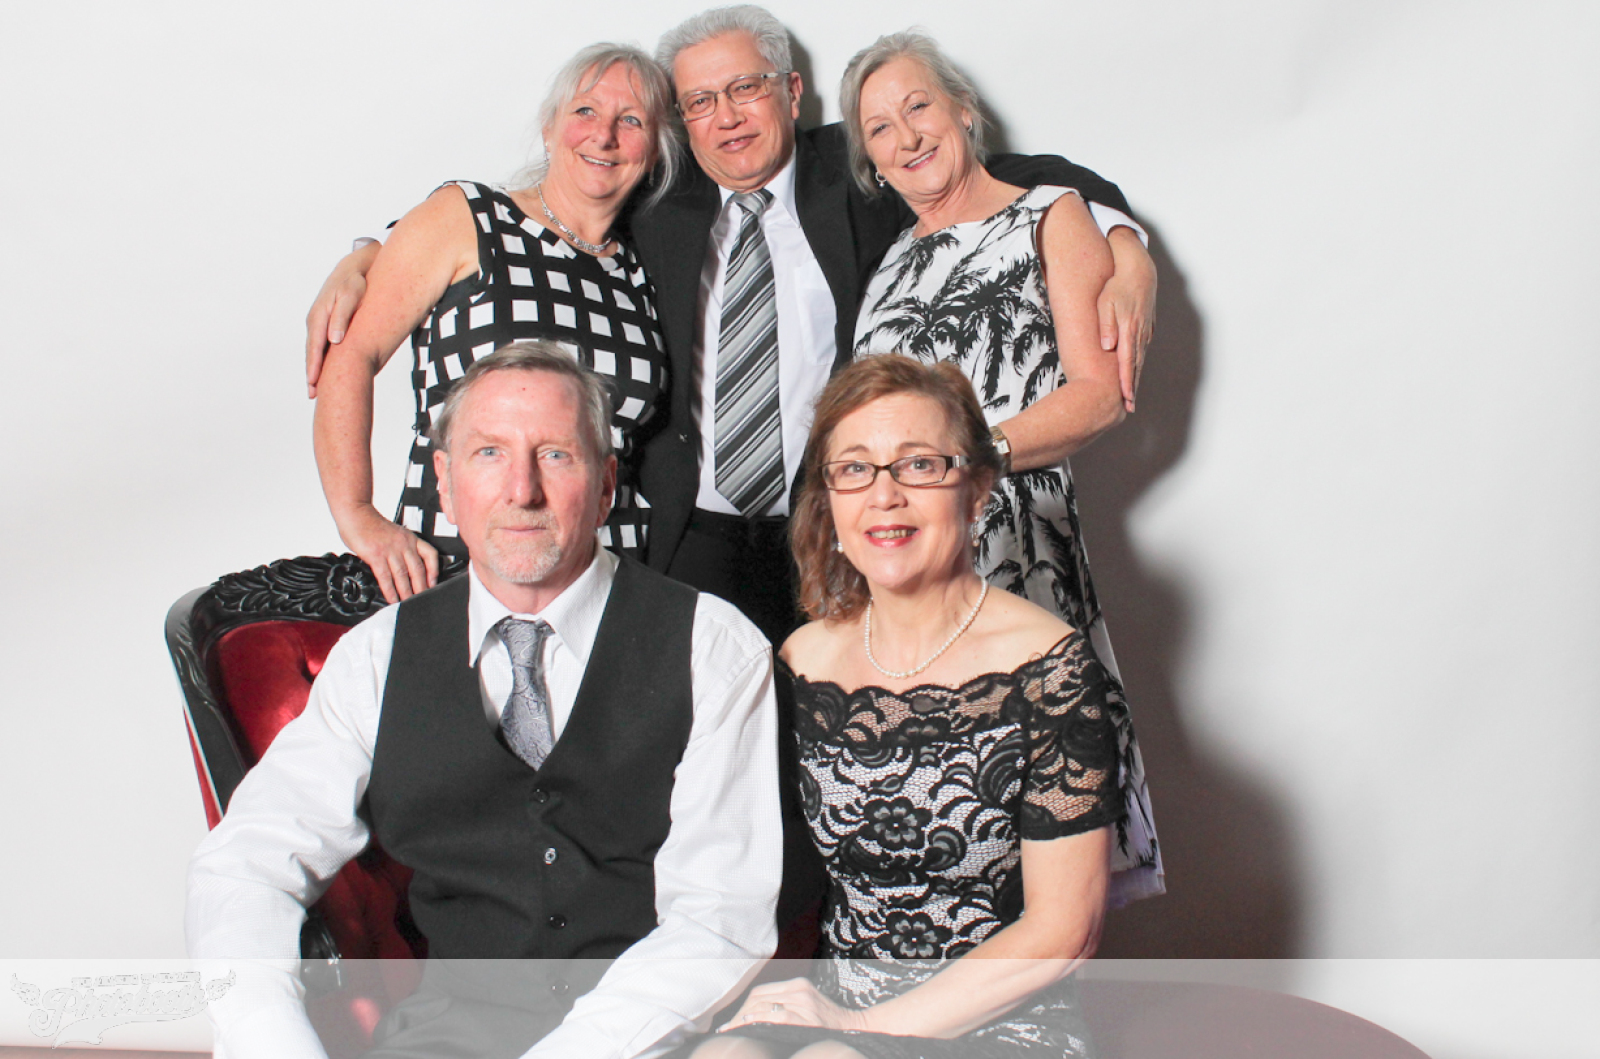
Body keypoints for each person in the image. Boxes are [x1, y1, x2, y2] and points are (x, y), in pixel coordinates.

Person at [305, 6, 1158, 647]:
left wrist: (1126, 245)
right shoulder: (657, 196)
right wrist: (367, 254)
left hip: (835, 523)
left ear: (789, 92)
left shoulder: (855, 171)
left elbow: (1009, 171)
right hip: (687, 536)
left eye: (747, 88)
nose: (729, 117)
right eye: (701, 101)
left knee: (834, 741)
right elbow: (531, 205)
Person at [187, 342, 782, 1059]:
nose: (521, 490)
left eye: (555, 455)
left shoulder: (714, 648)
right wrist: (272, 1041)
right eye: (489, 453)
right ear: (444, 482)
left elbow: (719, 922)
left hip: (657, 1041)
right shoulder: (377, 656)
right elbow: (246, 862)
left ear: (606, 484)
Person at [676, 354, 1125, 1059]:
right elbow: (734, 863)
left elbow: (1066, 930)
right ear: (830, 499)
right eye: (855, 469)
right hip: (833, 1003)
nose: (884, 495)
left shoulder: (1050, 669)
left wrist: (856, 1033)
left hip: (1003, 1022)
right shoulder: (800, 660)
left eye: (918, 465)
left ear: (976, 490)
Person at [844, 31, 1162, 904]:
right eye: (879, 128)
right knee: (934, 827)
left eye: (918, 106)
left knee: (1040, 830)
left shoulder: (1050, 215)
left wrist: (975, 459)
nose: (907, 136)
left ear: (963, 109)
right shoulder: (887, 263)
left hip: (1014, 549)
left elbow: (1100, 393)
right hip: (899, 573)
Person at [312, 43, 677, 604]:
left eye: (631, 121)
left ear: (654, 151)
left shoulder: (641, 269)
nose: (604, 135)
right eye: (585, 111)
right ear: (549, 128)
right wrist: (356, 514)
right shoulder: (470, 218)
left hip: (607, 581)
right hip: (453, 567)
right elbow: (351, 354)